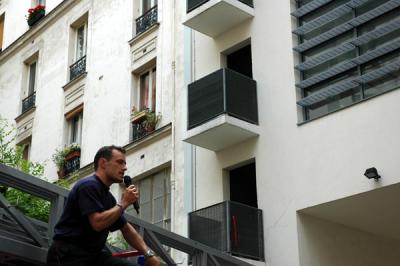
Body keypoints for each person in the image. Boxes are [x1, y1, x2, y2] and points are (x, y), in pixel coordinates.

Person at [47, 145, 160, 266]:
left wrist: (148, 254)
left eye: (125, 163)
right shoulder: (87, 186)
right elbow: (97, 223)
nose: (125, 168)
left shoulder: (108, 198)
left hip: (94, 256)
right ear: (103, 163)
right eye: (120, 162)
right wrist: (124, 203)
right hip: (69, 255)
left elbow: (126, 229)